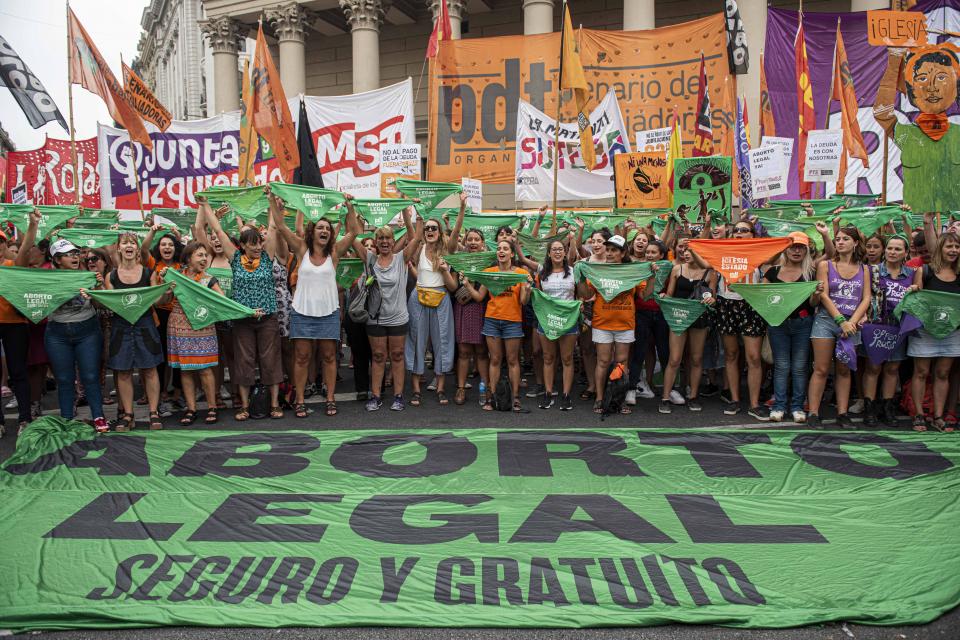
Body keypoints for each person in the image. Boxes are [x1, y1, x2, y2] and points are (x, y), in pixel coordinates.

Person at [268, 190, 360, 418]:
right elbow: (280, 226)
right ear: (312, 231)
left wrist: (349, 207)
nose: (324, 231)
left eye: (327, 229)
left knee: (329, 357)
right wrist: (272, 201)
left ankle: (330, 398)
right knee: (302, 357)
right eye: (320, 227)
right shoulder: (301, 249)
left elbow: (353, 231)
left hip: (328, 312)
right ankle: (299, 400)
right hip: (302, 312)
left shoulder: (335, 252)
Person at [200, 199, 283, 421]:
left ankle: (274, 404)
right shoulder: (235, 258)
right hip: (243, 320)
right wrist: (206, 205)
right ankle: (245, 406)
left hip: (267, 318)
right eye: (252, 244)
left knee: (270, 360)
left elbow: (274, 227)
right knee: (244, 361)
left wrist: (271, 202)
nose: (257, 247)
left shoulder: (267, 257)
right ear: (243, 245)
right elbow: (217, 229)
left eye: (259, 243)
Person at [807, 226, 872, 428]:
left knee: (844, 370)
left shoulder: (864, 268)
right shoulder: (825, 265)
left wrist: (852, 321)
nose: (840, 242)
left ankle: (842, 413)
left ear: (855, 243)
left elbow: (866, 297)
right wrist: (840, 321)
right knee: (821, 368)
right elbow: (823, 295)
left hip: (851, 323)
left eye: (845, 239)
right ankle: (813, 413)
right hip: (827, 321)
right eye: (837, 239)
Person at [42, 238, 108, 432]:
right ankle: (67, 419)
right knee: (64, 379)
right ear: (56, 260)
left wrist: (97, 289)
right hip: (57, 333)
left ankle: (98, 416)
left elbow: (102, 305)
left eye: (76, 253)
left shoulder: (89, 276)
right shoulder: (47, 279)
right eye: (68, 254)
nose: (74, 256)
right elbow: (41, 307)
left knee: (90, 375)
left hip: (87, 330)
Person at [158, 241, 223, 427]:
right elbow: (162, 301)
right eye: (199, 255)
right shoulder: (175, 277)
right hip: (179, 325)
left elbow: (223, 301)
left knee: (205, 368)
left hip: (202, 325)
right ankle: (191, 408)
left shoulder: (209, 279)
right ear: (188, 258)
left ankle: (212, 407)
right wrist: (165, 286)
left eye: (205, 255)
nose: (204, 259)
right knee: (185, 369)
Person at [357, 209, 416, 412]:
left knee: (397, 355)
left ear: (393, 241)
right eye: (380, 238)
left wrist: (406, 211)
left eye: (387, 238)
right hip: (376, 319)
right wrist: (350, 210)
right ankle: (375, 396)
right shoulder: (370, 259)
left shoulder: (401, 259)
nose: (384, 241)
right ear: (376, 241)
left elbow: (413, 236)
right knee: (379, 356)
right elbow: (351, 238)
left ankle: (398, 396)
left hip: (399, 317)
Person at [463, 239, 532, 412]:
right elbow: (479, 297)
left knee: (512, 360)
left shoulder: (521, 273)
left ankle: (515, 398)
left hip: (513, 321)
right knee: (494, 359)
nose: (501, 251)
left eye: (505, 249)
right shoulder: (489, 272)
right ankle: (492, 397)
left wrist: (528, 288)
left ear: (512, 253)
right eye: (499, 249)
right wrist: (466, 285)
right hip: (492, 320)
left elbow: (523, 301)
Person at [104, 232, 163, 431]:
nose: (129, 245)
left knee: (150, 369)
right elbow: (111, 305)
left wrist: (165, 291)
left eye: (132, 243)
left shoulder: (149, 273)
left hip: (145, 325)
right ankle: (128, 414)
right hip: (121, 327)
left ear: (137, 249)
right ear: (118, 248)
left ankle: (154, 412)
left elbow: (157, 301)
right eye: (124, 243)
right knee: (123, 372)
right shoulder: (110, 276)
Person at [404, 203, 462, 406]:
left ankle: (440, 388)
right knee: (416, 340)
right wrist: (406, 209)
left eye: (433, 228)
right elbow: (412, 232)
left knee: (442, 342)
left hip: (441, 298)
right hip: (418, 297)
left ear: (439, 231)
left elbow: (455, 232)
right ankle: (416, 390)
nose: (429, 231)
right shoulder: (418, 248)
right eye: (427, 228)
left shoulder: (447, 251)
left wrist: (462, 206)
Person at [578, 234, 639, 415]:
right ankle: (599, 398)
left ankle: (619, 399)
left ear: (623, 253)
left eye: (614, 250)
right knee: (603, 361)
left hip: (625, 323)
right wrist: (580, 278)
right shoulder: (598, 270)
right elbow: (587, 293)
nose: (610, 253)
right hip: (602, 322)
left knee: (621, 363)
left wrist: (651, 275)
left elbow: (646, 293)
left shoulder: (632, 270)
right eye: (609, 249)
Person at [763, 232, 819, 423]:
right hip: (778, 325)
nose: (796, 250)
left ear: (806, 250)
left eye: (801, 247)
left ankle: (797, 406)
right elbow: (763, 300)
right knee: (782, 366)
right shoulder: (771, 272)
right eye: (792, 246)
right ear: (785, 249)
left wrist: (816, 294)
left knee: (800, 367)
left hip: (803, 323)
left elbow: (813, 304)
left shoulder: (811, 272)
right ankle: (778, 406)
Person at [861, 234, 914, 428]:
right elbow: (864, 297)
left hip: (899, 328)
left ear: (906, 253)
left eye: (898, 249)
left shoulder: (912, 273)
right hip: (875, 325)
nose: (893, 252)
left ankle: (888, 407)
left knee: (892, 369)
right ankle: (870, 407)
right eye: (890, 248)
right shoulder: (871, 270)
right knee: (873, 367)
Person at [909, 231, 960, 432]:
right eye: (949, 246)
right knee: (921, 372)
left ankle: (938, 416)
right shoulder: (925, 271)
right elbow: (917, 301)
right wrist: (913, 290)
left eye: (957, 247)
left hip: (952, 331)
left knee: (943, 373)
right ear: (940, 248)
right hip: (926, 330)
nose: (954, 250)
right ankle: (919, 415)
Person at [658, 240, 716, 414]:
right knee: (674, 359)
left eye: (691, 250)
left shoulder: (710, 272)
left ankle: (693, 396)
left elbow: (713, 297)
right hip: (678, 318)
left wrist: (712, 299)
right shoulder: (677, 269)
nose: (686, 252)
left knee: (696, 359)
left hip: (699, 319)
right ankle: (665, 398)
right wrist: (663, 296)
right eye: (684, 249)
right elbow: (669, 295)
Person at [0, 211, 39, 436]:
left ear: (5, 245)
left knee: (18, 372)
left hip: (14, 323)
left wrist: (33, 225)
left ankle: (24, 419)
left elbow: (26, 247)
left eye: (0, 242)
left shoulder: (13, 263)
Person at [535, 239, 578, 410]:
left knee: (567, 358)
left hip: (568, 321)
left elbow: (580, 294)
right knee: (548, 358)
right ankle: (548, 393)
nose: (558, 252)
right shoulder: (542, 273)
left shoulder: (574, 272)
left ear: (565, 253)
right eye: (554, 249)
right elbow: (537, 295)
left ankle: (566, 395)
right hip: (547, 320)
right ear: (548, 253)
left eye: (561, 249)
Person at [452, 229, 491, 406]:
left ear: (483, 243)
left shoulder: (489, 262)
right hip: (462, 308)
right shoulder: (458, 261)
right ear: (465, 242)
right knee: (464, 352)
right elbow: (453, 286)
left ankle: (485, 387)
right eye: (470, 239)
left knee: (482, 352)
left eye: (477, 239)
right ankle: (460, 388)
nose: (473, 242)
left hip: (481, 308)